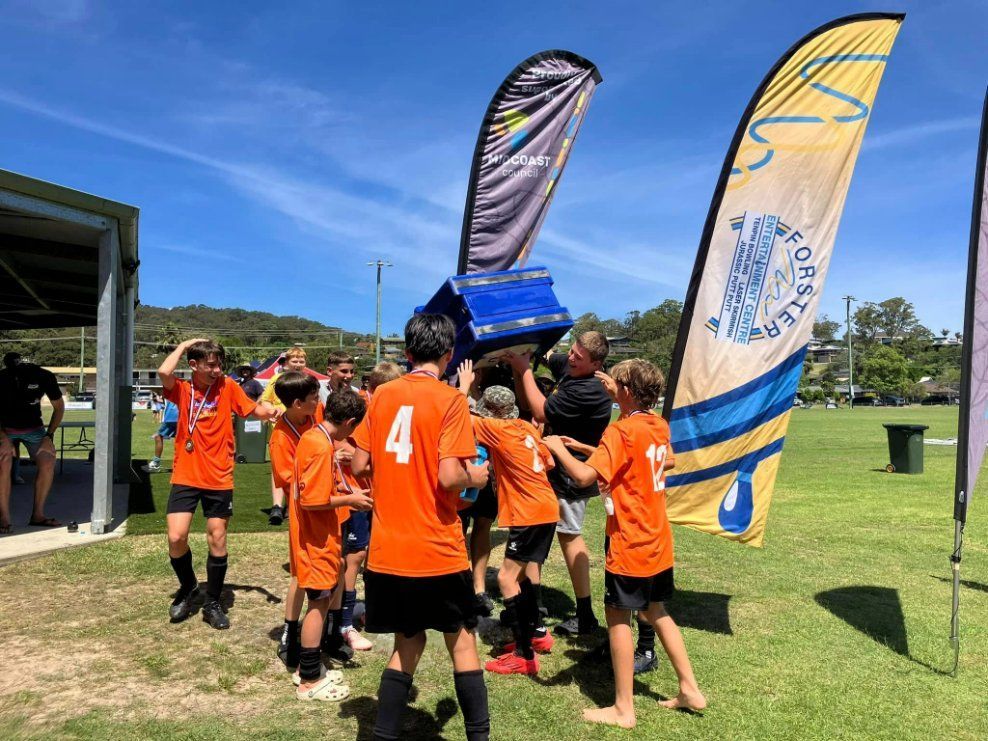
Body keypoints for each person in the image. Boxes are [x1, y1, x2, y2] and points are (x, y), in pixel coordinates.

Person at [543, 359, 706, 727]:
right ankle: (690, 689)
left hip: (630, 543)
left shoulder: (620, 432)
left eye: (613, 381)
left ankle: (623, 709)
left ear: (626, 390)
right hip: (658, 540)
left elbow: (585, 477)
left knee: (619, 618)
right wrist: (588, 447)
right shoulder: (657, 425)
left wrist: (558, 448)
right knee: (657, 611)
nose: (607, 385)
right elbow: (667, 462)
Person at [351, 314, 491, 741]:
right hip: (437, 548)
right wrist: (477, 478)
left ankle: (383, 734)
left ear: (407, 352)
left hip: (389, 550)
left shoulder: (382, 396)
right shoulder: (450, 400)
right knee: (462, 641)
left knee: (406, 646)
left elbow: (359, 464)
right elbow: (451, 477)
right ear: (449, 355)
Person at [159, 338, 279, 629]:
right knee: (176, 538)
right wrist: (185, 344)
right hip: (186, 475)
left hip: (219, 475)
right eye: (210, 365)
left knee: (217, 537)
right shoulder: (183, 389)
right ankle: (189, 588)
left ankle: (212, 602)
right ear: (194, 365)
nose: (217, 369)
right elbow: (164, 373)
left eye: (218, 364)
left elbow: (251, 410)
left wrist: (274, 412)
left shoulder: (228, 386)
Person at [505, 332, 612, 636]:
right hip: (555, 467)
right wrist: (530, 347)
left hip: (571, 472)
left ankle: (584, 614)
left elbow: (542, 411)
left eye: (581, 357)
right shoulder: (572, 365)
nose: (573, 358)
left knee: (568, 535)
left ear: (597, 364)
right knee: (537, 529)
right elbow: (551, 355)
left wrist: (524, 369)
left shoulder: (590, 388)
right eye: (574, 351)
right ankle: (533, 608)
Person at [457, 365, 560, 677]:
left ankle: (523, 655)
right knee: (524, 577)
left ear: (490, 413)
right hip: (547, 507)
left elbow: (460, 416)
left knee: (506, 579)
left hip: (529, 511)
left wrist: (464, 386)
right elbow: (549, 462)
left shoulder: (495, 430)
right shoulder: (526, 428)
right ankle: (537, 635)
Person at [292, 388, 371, 702]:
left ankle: (306, 667)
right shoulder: (318, 445)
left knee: (320, 601)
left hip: (321, 537)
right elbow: (312, 501)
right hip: (316, 539)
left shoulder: (317, 439)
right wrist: (351, 498)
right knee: (318, 605)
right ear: (350, 422)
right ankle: (309, 679)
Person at [337, 360, 403, 652]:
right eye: (385, 392)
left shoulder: (399, 412)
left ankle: (373, 610)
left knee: (379, 553)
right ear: (372, 391)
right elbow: (343, 448)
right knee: (354, 556)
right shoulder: (362, 413)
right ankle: (344, 624)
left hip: (385, 495)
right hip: (358, 495)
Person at [269, 371, 324, 670]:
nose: (319, 400)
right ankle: (291, 629)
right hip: (303, 510)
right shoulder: (280, 437)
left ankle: (323, 626)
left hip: (324, 506)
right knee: (301, 574)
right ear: (297, 403)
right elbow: (287, 478)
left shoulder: (311, 419)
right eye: (314, 397)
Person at [0, 351, 65, 531]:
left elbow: (59, 407)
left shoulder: (45, 377)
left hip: (34, 429)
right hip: (4, 428)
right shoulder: (2, 379)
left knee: (48, 459)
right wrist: (3, 438)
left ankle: (38, 515)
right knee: (3, 460)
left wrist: (48, 437)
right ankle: (4, 518)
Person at [261, 348, 309, 525]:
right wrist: (272, 410)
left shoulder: (307, 382)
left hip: (302, 432)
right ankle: (276, 506)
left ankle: (294, 504)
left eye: (301, 361)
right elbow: (265, 400)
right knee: (279, 470)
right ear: (286, 363)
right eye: (294, 361)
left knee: (301, 468)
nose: (297, 365)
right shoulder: (277, 380)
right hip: (280, 431)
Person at [145, 399, 180, 473]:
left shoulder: (171, 389)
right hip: (181, 415)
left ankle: (156, 462)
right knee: (182, 440)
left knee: (158, 436)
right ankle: (182, 463)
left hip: (171, 416)